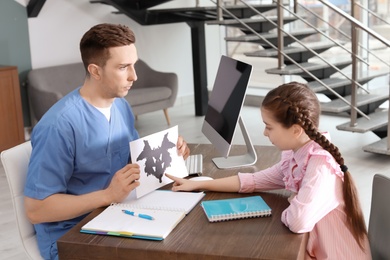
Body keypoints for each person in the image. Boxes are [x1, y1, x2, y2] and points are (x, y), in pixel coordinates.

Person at [24, 23, 190, 260]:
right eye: (123, 67)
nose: (134, 76)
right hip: (72, 236)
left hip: (115, 213)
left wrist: (167, 151)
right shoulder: (58, 126)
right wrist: (108, 196)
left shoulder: (120, 105)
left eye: (134, 65)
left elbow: (130, 159)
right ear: (95, 71)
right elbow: (36, 210)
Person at [167, 82, 371, 259]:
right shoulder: (299, 153)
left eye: (269, 127)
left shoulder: (320, 166)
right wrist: (200, 183)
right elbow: (253, 181)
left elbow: (299, 221)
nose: (264, 133)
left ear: (296, 129)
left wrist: (292, 203)